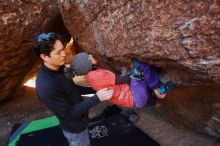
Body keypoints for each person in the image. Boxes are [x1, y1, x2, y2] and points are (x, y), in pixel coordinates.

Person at [32, 32, 114, 146]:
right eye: (58, 52)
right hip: (75, 128)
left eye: (63, 49)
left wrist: (95, 89)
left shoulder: (60, 67)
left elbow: (73, 88)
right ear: (44, 57)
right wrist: (97, 98)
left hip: (82, 118)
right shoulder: (46, 86)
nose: (64, 54)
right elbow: (68, 113)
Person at [64, 52, 173, 109]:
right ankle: (159, 89)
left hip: (134, 102)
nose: (91, 55)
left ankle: (154, 101)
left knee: (137, 80)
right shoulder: (95, 75)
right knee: (139, 66)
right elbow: (123, 79)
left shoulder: (90, 77)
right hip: (136, 97)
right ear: (86, 64)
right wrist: (132, 70)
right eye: (88, 57)